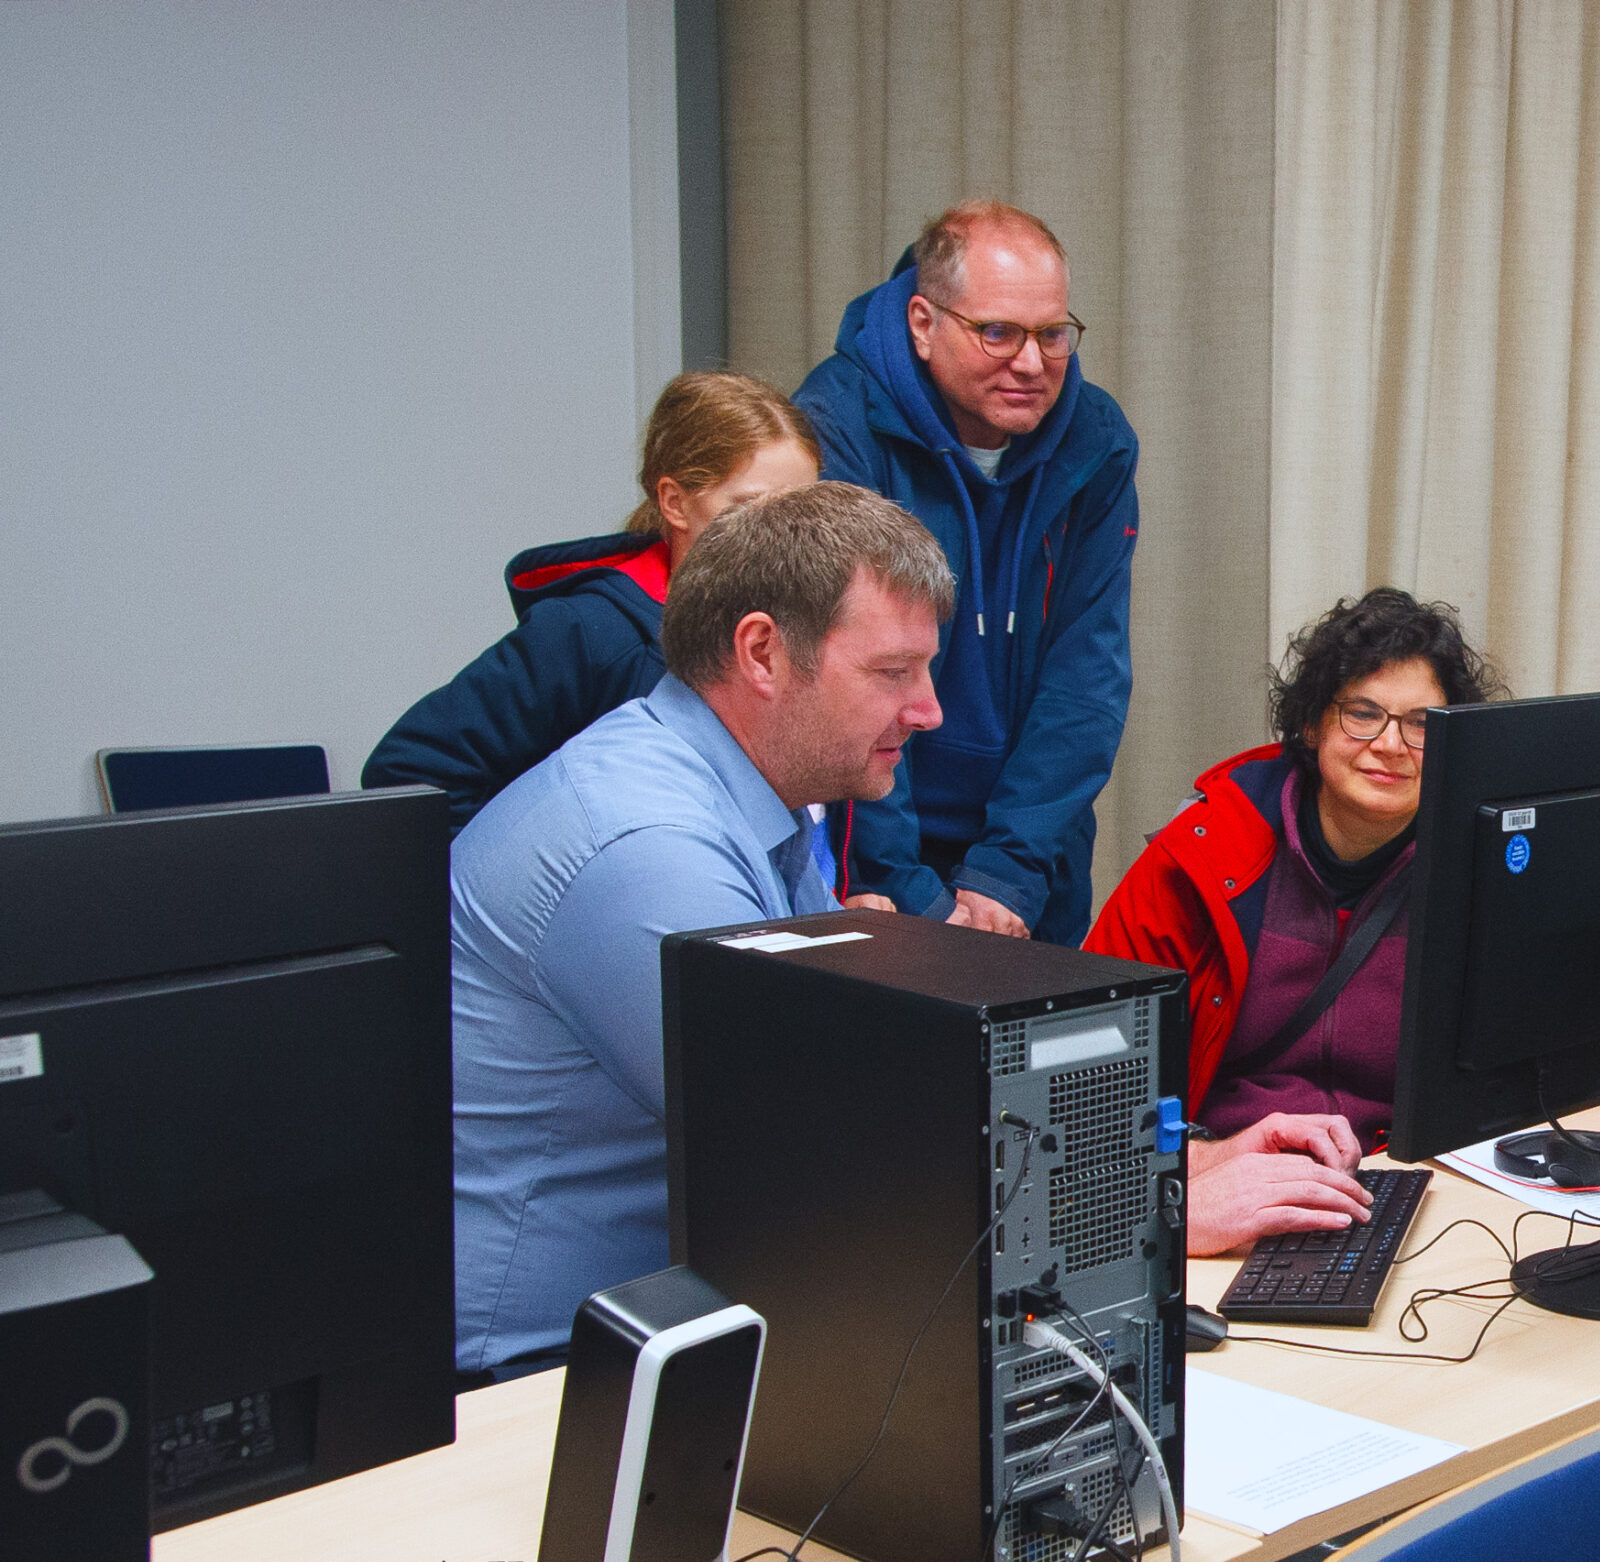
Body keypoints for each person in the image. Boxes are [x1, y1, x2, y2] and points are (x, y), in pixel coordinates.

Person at [448, 482, 951, 1376]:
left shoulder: (759, 795)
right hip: (534, 1375)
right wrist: (1143, 1192)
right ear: (761, 652)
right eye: (891, 672)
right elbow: (814, 1152)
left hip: (667, 1323)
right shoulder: (649, 845)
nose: (928, 709)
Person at [1085, 588, 1504, 1257]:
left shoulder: (1481, 869)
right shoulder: (1198, 855)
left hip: (1414, 1197)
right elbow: (1093, 1086)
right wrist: (1192, 1176)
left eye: (1423, 723)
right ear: (1311, 723)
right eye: (1363, 714)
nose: (1392, 745)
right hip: (1225, 1194)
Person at [794, 200, 1139, 945]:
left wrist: (1005, 873)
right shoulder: (836, 423)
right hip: (879, 839)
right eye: (998, 333)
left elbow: (1087, 677)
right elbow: (845, 677)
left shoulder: (1097, 441)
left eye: (1053, 334)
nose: (1031, 362)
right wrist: (920, 898)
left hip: (1024, 858)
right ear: (924, 323)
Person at [364, 372, 822, 835]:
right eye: (751, 507)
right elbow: (409, 773)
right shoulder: (588, 631)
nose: (780, 534)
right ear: (674, 502)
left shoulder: (811, 622)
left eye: (802, 508)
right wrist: (554, 879)